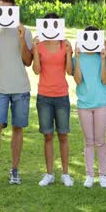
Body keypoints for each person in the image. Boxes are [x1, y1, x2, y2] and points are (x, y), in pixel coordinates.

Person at [0, 0, 33, 189]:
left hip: (20, 88)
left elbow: (28, 61)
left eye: (8, 9)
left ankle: (14, 171)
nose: (4, 12)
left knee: (17, 129)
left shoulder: (24, 31)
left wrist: (21, 38)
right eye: (0, 8)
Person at [33, 13, 74, 187]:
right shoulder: (40, 46)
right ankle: (49, 173)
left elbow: (70, 71)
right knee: (48, 136)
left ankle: (65, 174)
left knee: (63, 135)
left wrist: (69, 52)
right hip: (44, 97)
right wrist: (34, 49)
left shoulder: (63, 44)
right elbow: (36, 70)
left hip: (61, 96)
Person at [73, 26, 106, 188]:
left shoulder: (103, 58)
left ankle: (103, 175)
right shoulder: (78, 59)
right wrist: (78, 58)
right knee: (89, 142)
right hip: (84, 105)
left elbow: (104, 80)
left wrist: (103, 59)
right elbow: (78, 80)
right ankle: (90, 175)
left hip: (101, 103)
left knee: (100, 141)